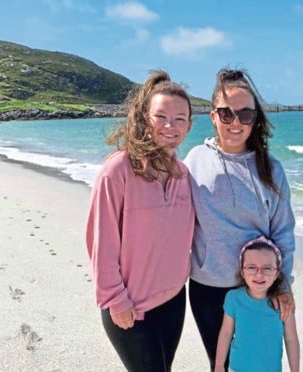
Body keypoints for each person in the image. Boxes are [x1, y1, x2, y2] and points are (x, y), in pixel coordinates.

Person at [184, 68, 296, 370]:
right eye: (227, 114)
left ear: (255, 119)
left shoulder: (270, 168)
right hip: (207, 287)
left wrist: (283, 284)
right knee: (219, 365)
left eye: (245, 115)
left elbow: (283, 231)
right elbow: (172, 217)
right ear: (212, 116)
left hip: (258, 288)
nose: (236, 122)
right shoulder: (194, 160)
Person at [86, 70, 194, 371]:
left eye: (179, 119)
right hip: (130, 305)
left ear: (189, 126)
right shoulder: (117, 169)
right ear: (145, 119)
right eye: (161, 116)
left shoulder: (184, 175)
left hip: (173, 299)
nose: (170, 126)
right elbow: (101, 242)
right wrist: (114, 298)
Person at [215, 236, 300, 372]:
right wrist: (219, 366)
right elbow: (226, 333)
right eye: (251, 268)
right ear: (243, 272)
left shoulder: (283, 303)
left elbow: (291, 339)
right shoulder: (233, 298)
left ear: (276, 273)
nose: (259, 274)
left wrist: (295, 370)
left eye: (267, 268)